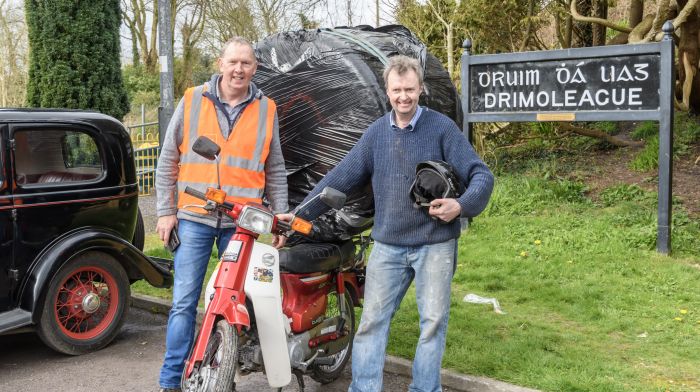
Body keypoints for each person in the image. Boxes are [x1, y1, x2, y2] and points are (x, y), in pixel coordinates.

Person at [287, 55, 494, 392]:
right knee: (371, 323)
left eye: (410, 89)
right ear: (387, 91)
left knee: (432, 325)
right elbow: (340, 179)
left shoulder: (441, 128)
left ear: (420, 88)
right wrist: (299, 216)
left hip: (435, 244)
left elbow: (481, 175)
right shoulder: (376, 134)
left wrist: (461, 205)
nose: (404, 97)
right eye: (397, 90)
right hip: (388, 245)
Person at [155, 37, 289, 392]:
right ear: (220, 63)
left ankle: (223, 372)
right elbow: (168, 159)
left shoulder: (266, 109)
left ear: (255, 68)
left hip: (242, 224)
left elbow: (274, 167)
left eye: (246, 63)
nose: (238, 69)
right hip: (195, 216)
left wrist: (280, 216)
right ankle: (171, 381)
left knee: (238, 301)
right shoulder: (192, 99)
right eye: (233, 62)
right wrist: (166, 211)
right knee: (184, 302)